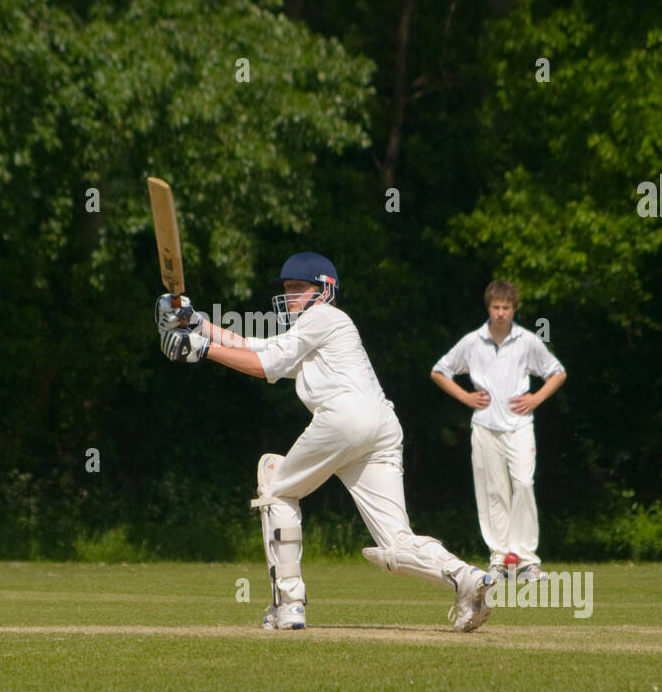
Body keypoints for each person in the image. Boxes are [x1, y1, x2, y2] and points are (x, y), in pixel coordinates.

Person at [157, 252, 495, 631]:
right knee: (397, 542)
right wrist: (198, 323)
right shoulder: (312, 331)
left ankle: (289, 604)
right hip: (382, 425)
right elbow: (257, 348)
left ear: (325, 290)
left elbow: (261, 366)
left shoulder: (323, 317)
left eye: (298, 287)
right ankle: (467, 578)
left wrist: (200, 349)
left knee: (275, 485)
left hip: (345, 418)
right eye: (286, 288)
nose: (290, 295)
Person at [430, 280, 566, 583]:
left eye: (506, 308)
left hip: (519, 425)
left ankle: (528, 561)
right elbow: (440, 370)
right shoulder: (473, 341)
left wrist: (536, 398)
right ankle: (500, 559)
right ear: (488, 307)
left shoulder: (528, 340)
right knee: (493, 492)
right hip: (485, 427)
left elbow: (556, 372)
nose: (501, 313)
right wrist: (465, 397)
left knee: (524, 484)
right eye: (496, 307)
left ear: (513, 309)